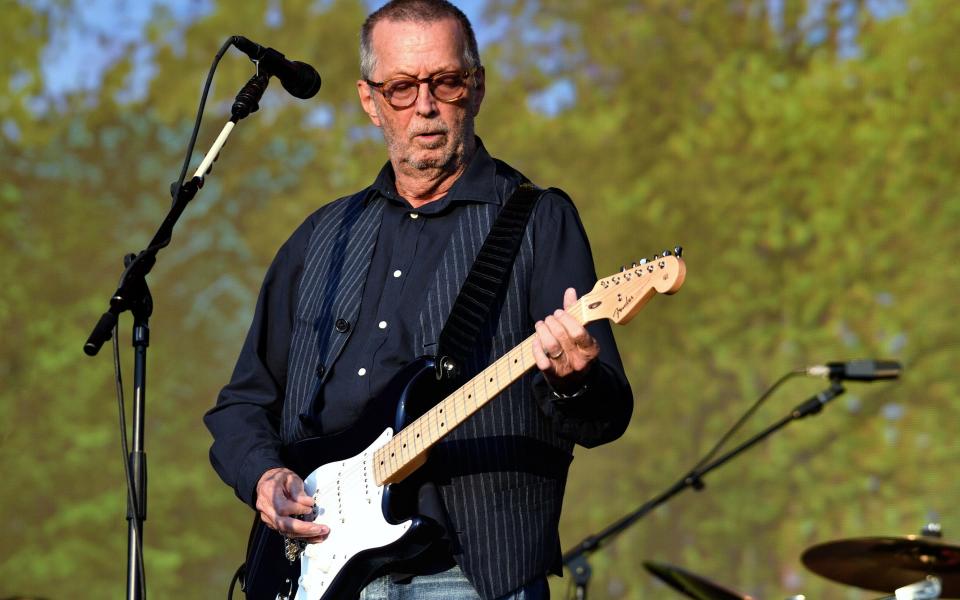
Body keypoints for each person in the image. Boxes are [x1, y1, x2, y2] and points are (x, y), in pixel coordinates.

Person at [204, 1, 633, 598]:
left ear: (476, 89)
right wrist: (264, 474)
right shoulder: (320, 237)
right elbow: (242, 404)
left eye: (446, 82)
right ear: (368, 100)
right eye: (402, 87)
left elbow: (603, 417)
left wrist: (574, 378)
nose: (425, 106)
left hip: (472, 571)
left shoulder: (537, 222)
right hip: (314, 566)